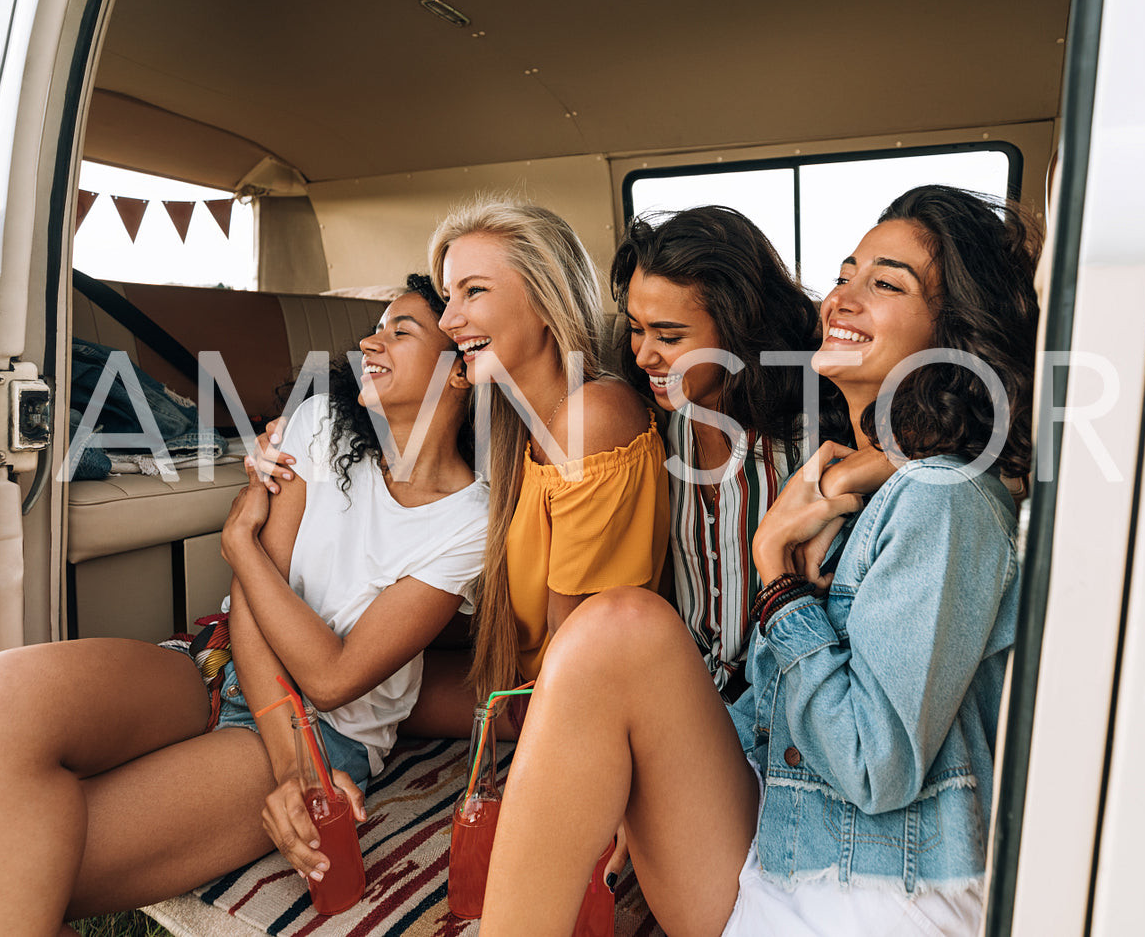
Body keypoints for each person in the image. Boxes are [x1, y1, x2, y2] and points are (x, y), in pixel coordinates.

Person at [472, 185, 1040, 937]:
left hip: (869, 891)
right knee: (620, 634)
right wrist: (639, 784)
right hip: (789, 839)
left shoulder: (933, 495)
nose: (840, 297)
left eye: (885, 283)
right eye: (845, 273)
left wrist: (773, 571)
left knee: (620, 627)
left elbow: (875, 765)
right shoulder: (867, 482)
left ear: (952, 332)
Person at [0, 275, 489, 935]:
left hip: (322, 731)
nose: (369, 340)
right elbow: (254, 600)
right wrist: (249, 568)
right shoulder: (321, 421)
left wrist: (239, 545)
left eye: (399, 330)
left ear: (460, 371)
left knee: (0, 859)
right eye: (376, 325)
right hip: (217, 658)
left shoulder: (468, 519)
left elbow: (333, 676)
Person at [429, 199, 670, 712]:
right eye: (448, 296)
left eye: (474, 291)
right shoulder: (513, 428)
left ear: (544, 300)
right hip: (527, 679)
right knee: (363, 693)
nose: (449, 319)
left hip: (583, 701)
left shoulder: (592, 416)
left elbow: (573, 652)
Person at [609, 206, 827, 699]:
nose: (644, 355)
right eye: (637, 328)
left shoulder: (814, 430)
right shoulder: (650, 429)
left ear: (737, 328)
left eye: (668, 336)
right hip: (688, 690)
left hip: (783, 697)